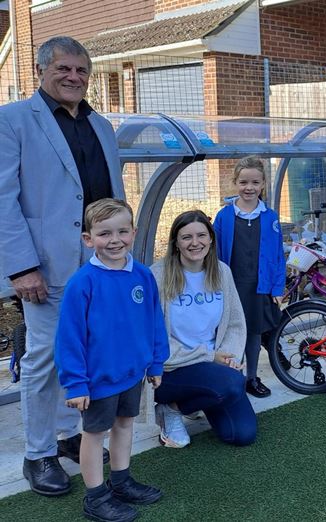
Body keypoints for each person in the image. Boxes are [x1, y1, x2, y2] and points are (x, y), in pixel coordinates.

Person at [0, 36, 124, 496]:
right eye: (64, 69)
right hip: (45, 268)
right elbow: (2, 200)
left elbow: (113, 196)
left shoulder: (101, 126)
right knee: (45, 359)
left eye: (81, 71)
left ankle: (72, 435)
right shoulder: (12, 121)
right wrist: (21, 267)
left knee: (86, 354)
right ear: (40, 70)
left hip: (99, 263)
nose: (74, 77)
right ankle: (38, 454)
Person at [55, 199, 168, 522]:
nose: (115, 240)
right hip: (98, 380)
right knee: (94, 435)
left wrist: (156, 362)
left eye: (122, 231)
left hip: (132, 375)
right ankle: (95, 496)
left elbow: (154, 321)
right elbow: (69, 338)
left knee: (125, 425)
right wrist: (76, 383)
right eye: (105, 233)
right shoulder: (82, 283)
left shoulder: (143, 276)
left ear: (133, 232)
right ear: (88, 239)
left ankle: (121, 481)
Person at [151, 210, 257, 448]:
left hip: (213, 366)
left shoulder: (221, 271)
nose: (195, 243)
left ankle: (187, 403)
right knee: (230, 384)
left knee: (241, 434)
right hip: (172, 369)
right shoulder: (157, 275)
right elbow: (153, 337)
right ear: (176, 243)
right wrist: (210, 357)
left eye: (201, 235)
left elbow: (235, 324)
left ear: (211, 239)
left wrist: (228, 356)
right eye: (186, 237)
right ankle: (170, 408)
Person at [213, 156, 285, 398]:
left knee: (253, 333)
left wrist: (277, 287)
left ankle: (251, 378)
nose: (249, 187)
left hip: (259, 286)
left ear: (263, 183)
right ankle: (234, 379)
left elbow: (277, 254)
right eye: (243, 182)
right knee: (231, 334)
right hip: (232, 286)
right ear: (235, 183)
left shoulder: (270, 216)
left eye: (255, 182)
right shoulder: (224, 216)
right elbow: (216, 254)